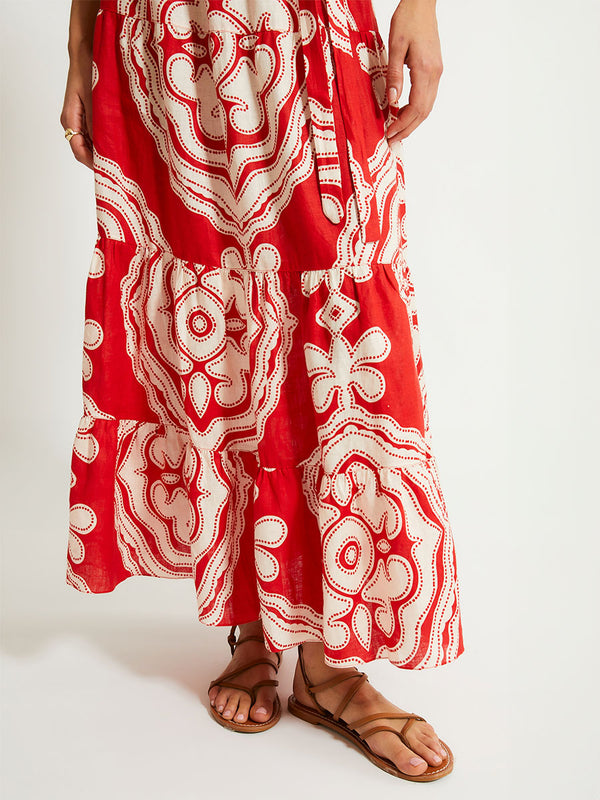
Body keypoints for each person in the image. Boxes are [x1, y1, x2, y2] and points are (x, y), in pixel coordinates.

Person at [61, 0, 464, 782]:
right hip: (159, 39)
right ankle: (251, 621)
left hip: (299, 28)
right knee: (211, 330)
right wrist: (81, 43)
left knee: (338, 313)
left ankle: (330, 663)